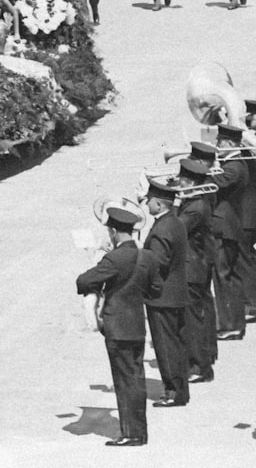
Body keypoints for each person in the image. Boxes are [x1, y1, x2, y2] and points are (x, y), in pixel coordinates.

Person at [76, 206, 161, 447]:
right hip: (136, 325)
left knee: (124, 382)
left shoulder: (114, 258)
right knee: (136, 379)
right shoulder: (147, 256)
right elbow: (155, 289)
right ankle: (138, 431)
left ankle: (131, 434)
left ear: (113, 231)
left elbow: (84, 280)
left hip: (117, 327)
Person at [142, 180, 190, 408]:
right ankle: (180, 390)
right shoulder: (175, 222)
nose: (147, 204)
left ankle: (173, 392)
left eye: (150, 201)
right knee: (176, 345)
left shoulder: (162, 229)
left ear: (160, 205)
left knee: (166, 346)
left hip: (162, 297)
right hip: (176, 294)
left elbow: (157, 262)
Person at [173, 159, 217, 384]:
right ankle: (199, 362)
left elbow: (174, 230)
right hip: (194, 265)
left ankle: (200, 367)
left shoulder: (196, 207)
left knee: (192, 319)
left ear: (190, 181)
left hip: (193, 267)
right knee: (193, 317)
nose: (177, 181)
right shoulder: (193, 201)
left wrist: (166, 200)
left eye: (181, 179)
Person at [208, 126, 249, 339]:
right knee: (228, 276)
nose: (217, 145)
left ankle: (230, 325)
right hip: (228, 226)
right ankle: (234, 323)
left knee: (223, 276)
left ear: (231, 144)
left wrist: (193, 173)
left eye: (220, 141)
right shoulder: (232, 164)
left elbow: (215, 184)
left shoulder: (233, 167)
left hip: (225, 227)